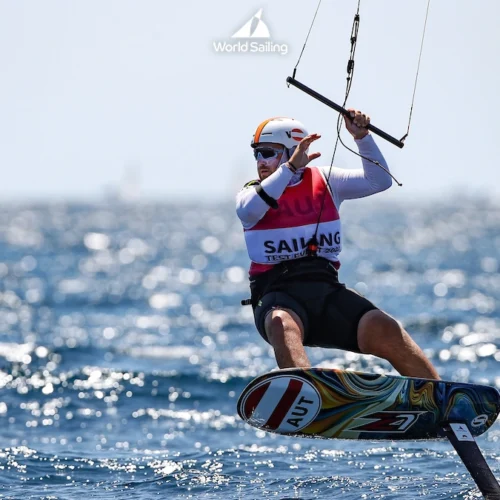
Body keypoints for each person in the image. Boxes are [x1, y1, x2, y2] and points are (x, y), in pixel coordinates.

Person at [236, 111, 439, 380]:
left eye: (268, 153)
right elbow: (249, 210)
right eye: (257, 154)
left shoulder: (327, 180)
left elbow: (379, 181)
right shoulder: (252, 194)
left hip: (326, 292)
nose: (261, 162)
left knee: (384, 327)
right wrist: (290, 169)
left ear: (293, 151)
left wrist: (362, 137)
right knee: (282, 324)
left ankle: (440, 400)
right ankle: (309, 396)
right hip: (276, 297)